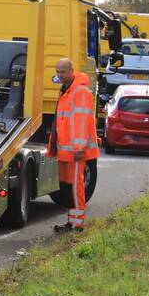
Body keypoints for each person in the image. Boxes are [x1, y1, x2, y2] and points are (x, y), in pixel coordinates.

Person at [47, 58, 99, 233]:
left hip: (77, 152)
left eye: (63, 71)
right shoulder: (67, 91)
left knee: (77, 187)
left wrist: (79, 148)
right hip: (67, 152)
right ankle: (72, 222)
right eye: (58, 71)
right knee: (69, 188)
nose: (60, 75)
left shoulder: (80, 92)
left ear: (71, 71)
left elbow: (81, 123)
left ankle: (77, 225)